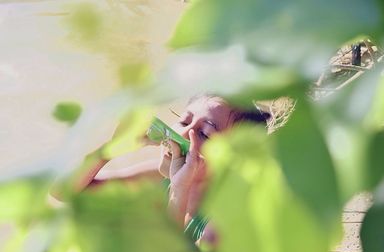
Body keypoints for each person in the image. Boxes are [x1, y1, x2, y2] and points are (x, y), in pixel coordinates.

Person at [57, 94, 270, 243]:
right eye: (184, 121)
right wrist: (110, 149)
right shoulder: (158, 179)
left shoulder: (225, 220)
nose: (184, 134)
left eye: (204, 133)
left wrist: (179, 190)